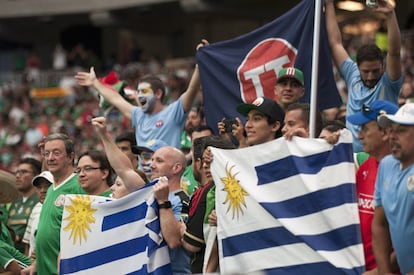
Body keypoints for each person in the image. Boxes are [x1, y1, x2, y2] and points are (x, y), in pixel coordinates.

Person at [75, 40, 208, 149]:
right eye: (138, 92)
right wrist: (95, 82)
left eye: (144, 91)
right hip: (145, 177)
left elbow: (192, 89)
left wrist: (200, 62)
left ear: (158, 94)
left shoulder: (174, 112)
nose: (139, 96)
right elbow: (115, 98)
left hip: (169, 176)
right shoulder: (138, 115)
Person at [325, 0, 403, 152]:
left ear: (383, 66)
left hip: (381, 155)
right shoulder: (352, 73)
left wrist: (390, 15)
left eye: (375, 71)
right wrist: (328, 4)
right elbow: (335, 43)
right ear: (358, 67)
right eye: (365, 71)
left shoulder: (388, 83)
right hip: (352, 158)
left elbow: (394, 52)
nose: (370, 76)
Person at [346, 100, 399, 273]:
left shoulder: (404, 173)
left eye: (365, 128)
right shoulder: (365, 167)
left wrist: (379, 271)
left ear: (385, 132)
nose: (359, 136)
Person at [25, 133, 83, 275]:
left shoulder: (78, 186)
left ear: (70, 157)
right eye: (47, 154)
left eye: (56, 153)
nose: (50, 158)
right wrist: (36, 264)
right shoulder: (50, 189)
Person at [182, 135, 235, 273]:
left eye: (211, 161)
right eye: (205, 161)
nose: (205, 165)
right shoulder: (212, 192)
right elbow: (214, 240)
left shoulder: (240, 190)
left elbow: (192, 245)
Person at [372, 103, 414, 274]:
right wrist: (383, 270)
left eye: (402, 130)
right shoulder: (387, 165)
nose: (392, 136)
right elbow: (380, 224)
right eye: (391, 129)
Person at [150, 146, 191, 274]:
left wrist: (163, 202)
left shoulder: (183, 200)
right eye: (152, 160)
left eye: (159, 161)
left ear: (176, 168)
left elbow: (174, 241)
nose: (151, 165)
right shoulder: (149, 197)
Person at [91, 116, 146, 199]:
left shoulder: (142, 179)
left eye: (124, 149)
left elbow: (124, 169)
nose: (112, 188)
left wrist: (104, 134)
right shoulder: (113, 175)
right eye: (118, 149)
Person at [8, 158, 41, 253]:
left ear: (36, 176)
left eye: (23, 172)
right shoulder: (14, 202)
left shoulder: (40, 201)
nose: (18, 176)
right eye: (17, 172)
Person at [22, 171, 53, 258]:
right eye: (39, 187)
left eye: (48, 186)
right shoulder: (36, 208)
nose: (43, 190)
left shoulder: (62, 208)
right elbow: (28, 243)